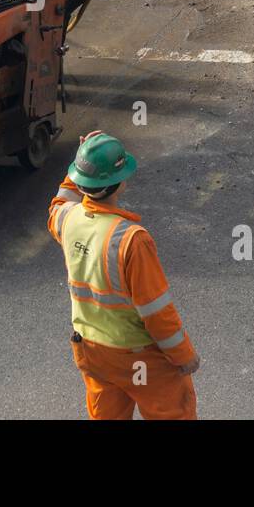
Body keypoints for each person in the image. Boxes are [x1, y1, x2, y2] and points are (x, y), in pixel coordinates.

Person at [47, 131, 200, 419]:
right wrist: (183, 355)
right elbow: (156, 312)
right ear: (119, 182)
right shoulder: (132, 240)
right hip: (139, 358)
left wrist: (81, 166)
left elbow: (57, 204)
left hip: (93, 354)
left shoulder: (68, 220)